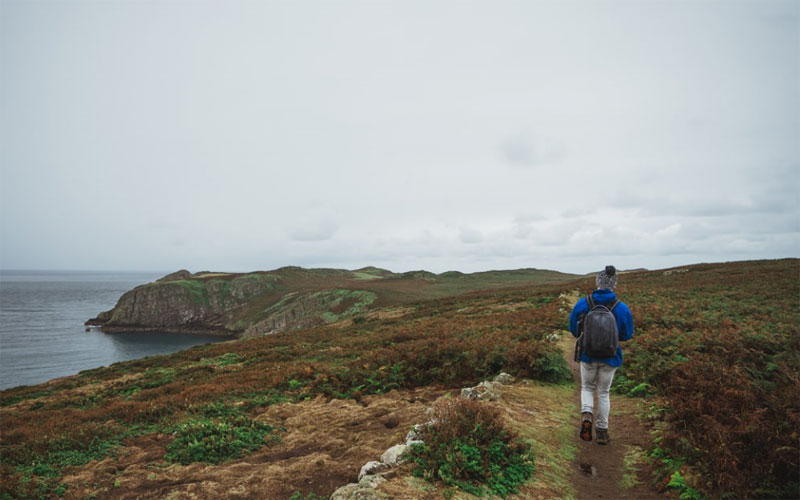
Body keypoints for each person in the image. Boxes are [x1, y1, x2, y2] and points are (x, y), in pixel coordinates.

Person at [569, 265, 634, 445]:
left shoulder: (583, 303)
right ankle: (602, 431)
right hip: (611, 357)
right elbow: (627, 334)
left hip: (587, 355)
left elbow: (573, 329)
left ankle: (586, 415)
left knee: (587, 388)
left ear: (598, 282)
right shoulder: (622, 308)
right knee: (604, 392)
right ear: (614, 285)